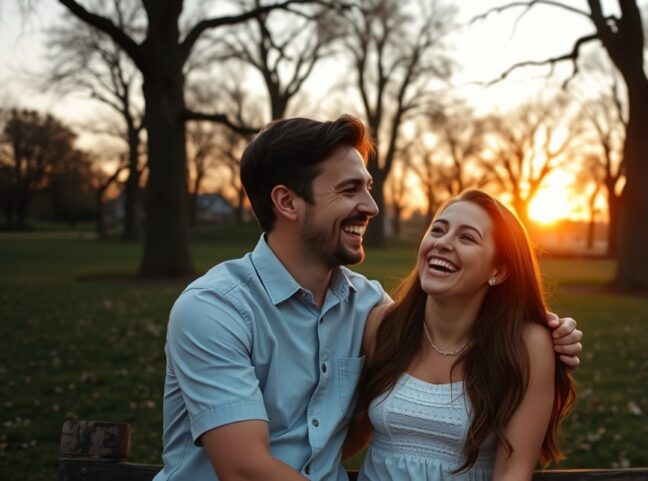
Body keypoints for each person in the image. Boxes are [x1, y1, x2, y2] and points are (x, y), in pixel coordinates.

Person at [152, 115, 583, 481]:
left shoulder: (367, 309)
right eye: (349, 190)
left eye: (368, 186)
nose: (371, 206)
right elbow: (244, 469)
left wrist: (541, 327)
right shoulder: (214, 309)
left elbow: (454, 324)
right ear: (287, 202)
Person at [344, 190, 575, 481]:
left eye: (467, 238)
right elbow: (347, 434)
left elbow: (513, 472)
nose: (442, 243)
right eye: (438, 230)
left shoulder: (526, 345)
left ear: (499, 270)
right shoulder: (382, 326)